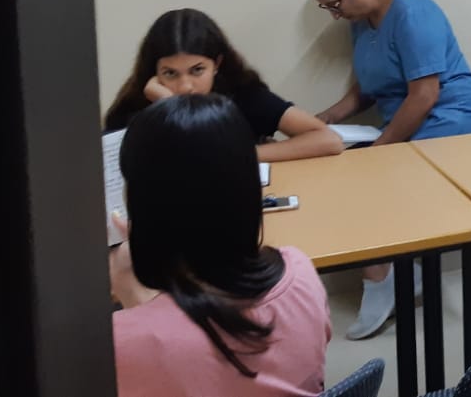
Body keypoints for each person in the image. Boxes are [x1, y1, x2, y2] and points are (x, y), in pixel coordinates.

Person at [308, 0, 471, 339]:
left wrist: (381, 149)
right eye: (326, 9)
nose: (334, 16)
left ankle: (381, 284)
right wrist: (323, 120)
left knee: (370, 183)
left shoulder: (413, 11)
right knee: (337, 171)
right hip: (409, 122)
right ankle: (396, 275)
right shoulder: (361, 22)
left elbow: (425, 94)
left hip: (451, 118)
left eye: (334, 6)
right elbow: (365, 89)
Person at [110, 94, 331, 397]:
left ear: (143, 204)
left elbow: (159, 350)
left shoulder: (127, 341)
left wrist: (130, 296)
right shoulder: (300, 271)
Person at [103, 9, 344, 162]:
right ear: (154, 72)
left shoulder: (242, 94)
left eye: (197, 70)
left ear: (217, 64)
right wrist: (168, 106)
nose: (185, 86)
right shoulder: (136, 109)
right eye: (170, 73)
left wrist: (240, 156)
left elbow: (327, 140)